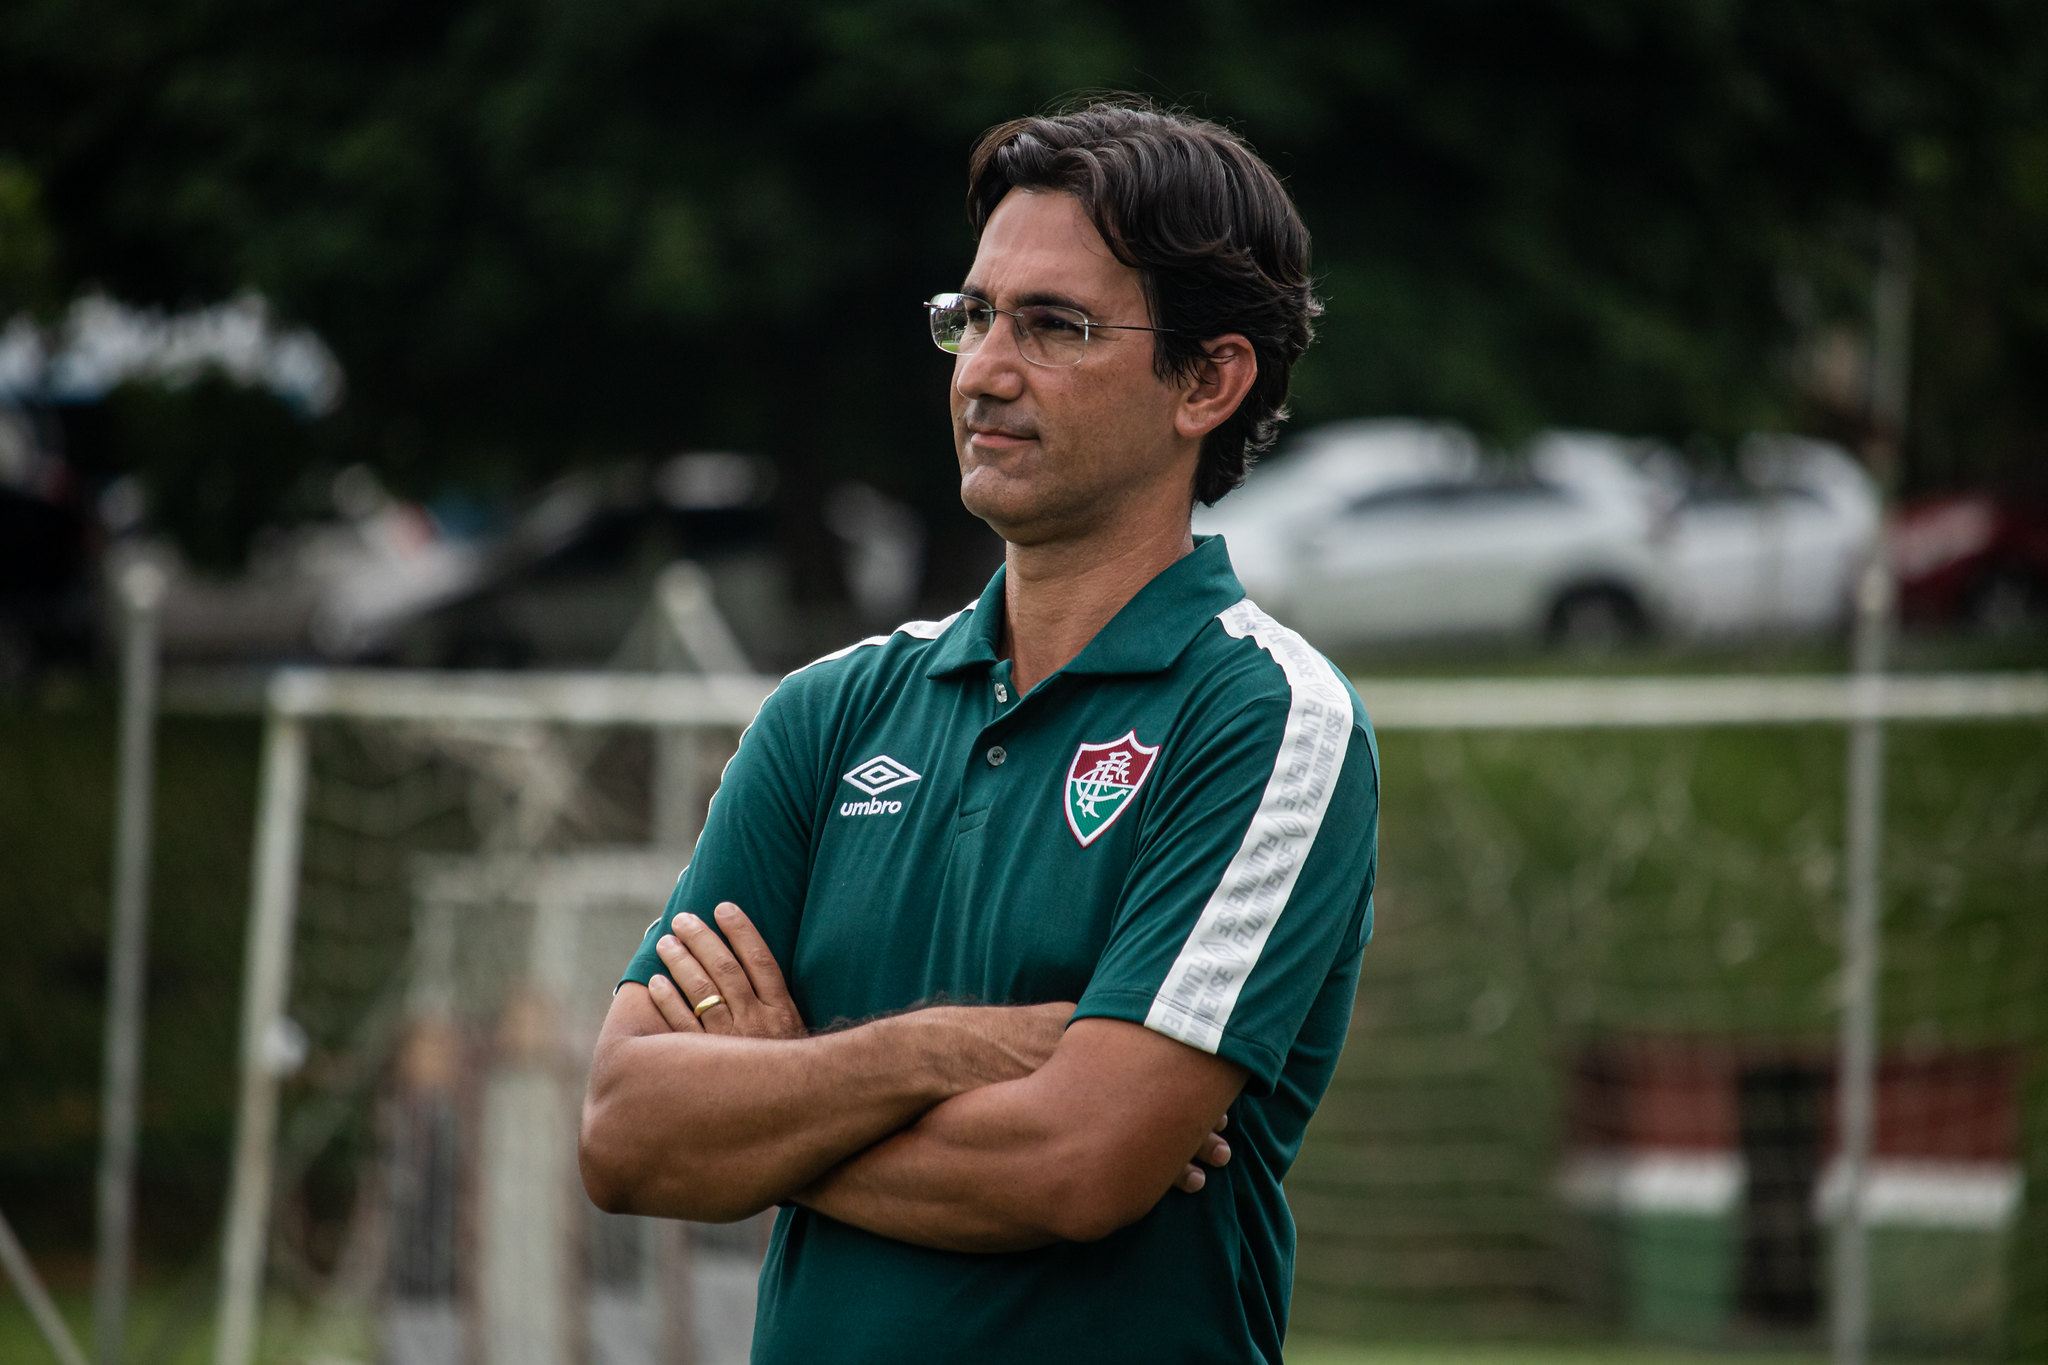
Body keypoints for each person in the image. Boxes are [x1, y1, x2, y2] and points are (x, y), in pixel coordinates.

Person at [579, 98, 1379, 1365]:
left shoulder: (1266, 716)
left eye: (1053, 325)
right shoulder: (824, 715)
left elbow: (1076, 1165)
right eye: (972, 316)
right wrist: (936, 1052)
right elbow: (627, 1135)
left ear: (1207, 380)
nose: (983, 372)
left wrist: (776, 1106)